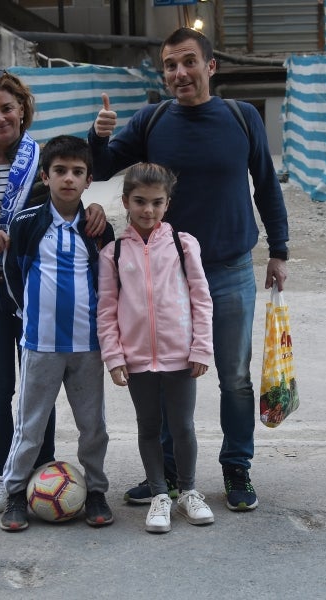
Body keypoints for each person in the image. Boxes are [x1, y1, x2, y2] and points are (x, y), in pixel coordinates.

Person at [88, 27, 289, 512]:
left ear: (210, 66)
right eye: (170, 65)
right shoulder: (152, 120)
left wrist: (279, 249)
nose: (179, 72)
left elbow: (266, 184)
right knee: (163, 372)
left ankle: (236, 467)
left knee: (235, 377)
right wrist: (100, 136)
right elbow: (102, 167)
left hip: (230, 267)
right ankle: (171, 475)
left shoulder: (242, 119)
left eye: (188, 62)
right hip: (167, 275)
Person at [0, 71, 106, 516]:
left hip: (37, 291)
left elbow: (67, 198)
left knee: (41, 388)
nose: (0, 118)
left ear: (22, 109)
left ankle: (41, 473)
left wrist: (94, 208)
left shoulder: (42, 159)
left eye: (7, 108)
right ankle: (3, 476)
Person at [0, 134, 115, 532]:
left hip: (88, 345)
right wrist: (26, 314)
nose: (69, 179)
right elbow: (13, 275)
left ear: (88, 180)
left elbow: (108, 281)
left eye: (77, 172)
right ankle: (15, 492)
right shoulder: (28, 223)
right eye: (60, 171)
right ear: (45, 177)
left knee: (93, 425)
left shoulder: (99, 228)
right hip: (41, 343)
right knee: (30, 424)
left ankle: (96, 490)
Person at [97, 162, 215, 533]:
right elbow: (106, 309)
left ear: (167, 204)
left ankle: (189, 492)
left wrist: (201, 347)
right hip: (136, 359)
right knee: (148, 426)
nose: (148, 210)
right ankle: (160, 495)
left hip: (181, 355)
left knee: (182, 426)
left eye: (157, 202)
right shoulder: (112, 253)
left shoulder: (183, 244)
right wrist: (114, 356)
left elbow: (202, 298)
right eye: (140, 201)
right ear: (125, 202)